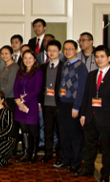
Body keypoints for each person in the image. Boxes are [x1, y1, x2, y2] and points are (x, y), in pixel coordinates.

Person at [77, 45, 110, 180]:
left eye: (102, 56)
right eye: (96, 57)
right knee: (89, 146)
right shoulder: (91, 75)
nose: (99, 59)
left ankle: (105, 173)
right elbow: (86, 96)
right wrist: (83, 114)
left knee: (107, 149)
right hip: (91, 117)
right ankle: (88, 169)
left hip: (107, 119)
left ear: (109, 58)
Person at [57, 40, 88, 173]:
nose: (68, 51)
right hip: (63, 103)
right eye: (65, 49)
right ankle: (66, 159)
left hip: (74, 104)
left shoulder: (81, 66)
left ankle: (76, 162)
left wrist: (76, 107)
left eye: (70, 49)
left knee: (75, 135)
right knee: (64, 134)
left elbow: (82, 89)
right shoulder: (65, 65)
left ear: (76, 50)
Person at [14, 50, 42, 164]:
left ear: (34, 59)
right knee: (24, 129)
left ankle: (34, 154)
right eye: (25, 58)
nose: (27, 60)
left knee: (33, 130)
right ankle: (26, 153)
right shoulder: (20, 71)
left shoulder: (38, 72)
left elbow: (36, 90)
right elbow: (15, 87)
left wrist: (22, 100)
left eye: (30, 58)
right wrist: (18, 101)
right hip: (19, 104)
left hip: (31, 103)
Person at [39, 40, 64, 165]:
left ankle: (60, 156)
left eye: (54, 50)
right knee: (47, 130)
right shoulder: (42, 67)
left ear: (59, 51)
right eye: (49, 51)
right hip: (46, 104)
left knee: (60, 132)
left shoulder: (64, 66)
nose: (51, 53)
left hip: (59, 105)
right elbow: (40, 86)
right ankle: (48, 154)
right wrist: (39, 102)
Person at [0, 45, 21, 155]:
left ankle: (13, 150)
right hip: (5, 99)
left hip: (11, 99)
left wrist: (0, 98)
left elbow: (10, 85)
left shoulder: (14, 67)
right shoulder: (5, 66)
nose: (4, 56)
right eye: (2, 53)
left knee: (13, 126)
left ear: (12, 54)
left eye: (6, 53)